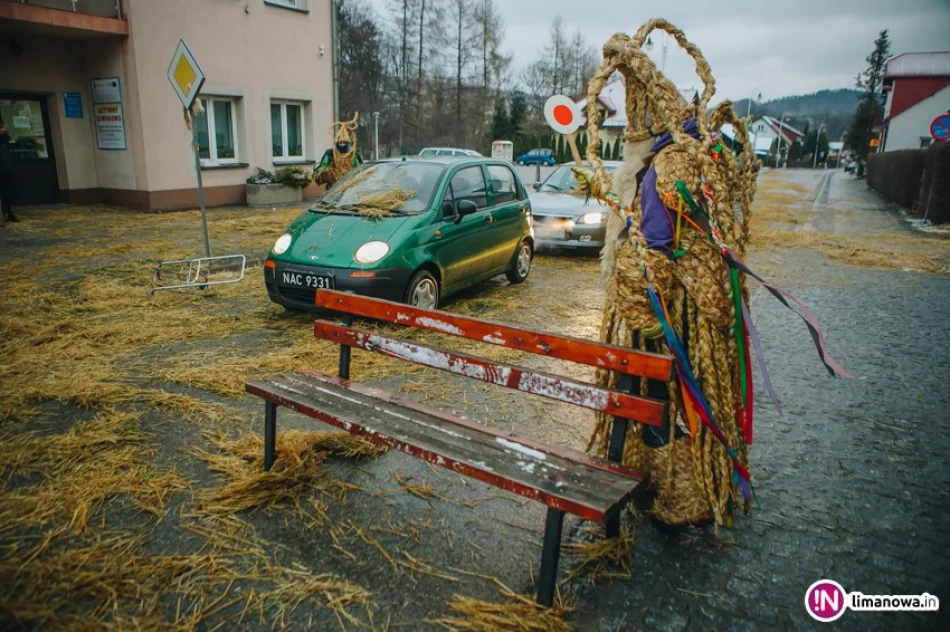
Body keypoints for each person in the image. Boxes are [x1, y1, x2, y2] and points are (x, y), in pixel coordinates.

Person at [313, 112, 363, 190]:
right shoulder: (330, 153)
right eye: (340, 143)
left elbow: (359, 167)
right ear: (337, 143)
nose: (342, 145)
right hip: (334, 185)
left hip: (350, 184)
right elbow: (324, 165)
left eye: (344, 143)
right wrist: (318, 171)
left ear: (348, 143)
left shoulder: (353, 154)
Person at [0, 120, 19, 223]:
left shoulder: (4, 139)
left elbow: (12, 140)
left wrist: (6, 133)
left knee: (10, 191)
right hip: (2, 169)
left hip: (7, 169)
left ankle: (9, 212)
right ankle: (5, 212)